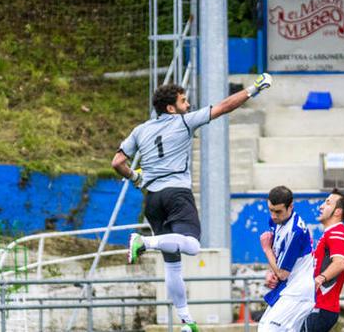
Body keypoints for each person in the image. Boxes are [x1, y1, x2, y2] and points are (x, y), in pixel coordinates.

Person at [113, 74, 272, 331]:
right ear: (171, 108)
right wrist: (253, 89)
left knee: (172, 264)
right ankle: (145, 242)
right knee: (193, 246)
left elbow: (117, 162)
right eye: (184, 101)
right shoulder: (184, 121)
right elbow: (224, 106)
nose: (188, 105)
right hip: (177, 194)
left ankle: (186, 320)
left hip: (152, 199)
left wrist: (135, 177)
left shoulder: (140, 130)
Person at [258, 186, 314, 332]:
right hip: (288, 290)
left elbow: (283, 273)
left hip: (297, 293)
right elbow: (278, 256)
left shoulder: (294, 231)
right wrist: (271, 272)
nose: (274, 215)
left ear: (291, 207)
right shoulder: (277, 222)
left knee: (268, 330)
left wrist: (266, 249)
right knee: (263, 327)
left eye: (278, 211)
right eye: (271, 210)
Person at [301, 189, 344, 332]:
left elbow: (339, 263)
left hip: (322, 307)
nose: (321, 206)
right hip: (318, 306)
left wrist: (320, 278)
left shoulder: (336, 232)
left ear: (338, 212)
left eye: (328, 203)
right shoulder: (332, 233)